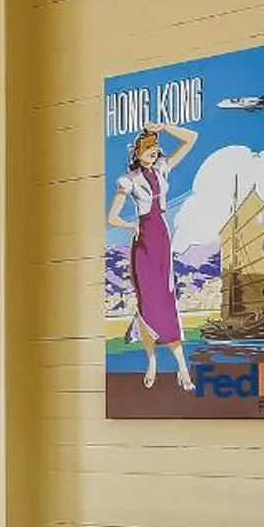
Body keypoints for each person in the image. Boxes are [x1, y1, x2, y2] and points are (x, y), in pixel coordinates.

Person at [106, 120, 198, 390]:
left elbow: (191, 138)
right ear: (137, 153)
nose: (154, 152)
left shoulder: (162, 168)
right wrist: (131, 226)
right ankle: (152, 361)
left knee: (166, 300)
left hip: (162, 238)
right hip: (143, 242)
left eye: (155, 148)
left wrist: (164, 128)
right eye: (148, 149)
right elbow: (111, 218)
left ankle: (182, 367)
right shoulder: (128, 180)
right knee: (147, 304)